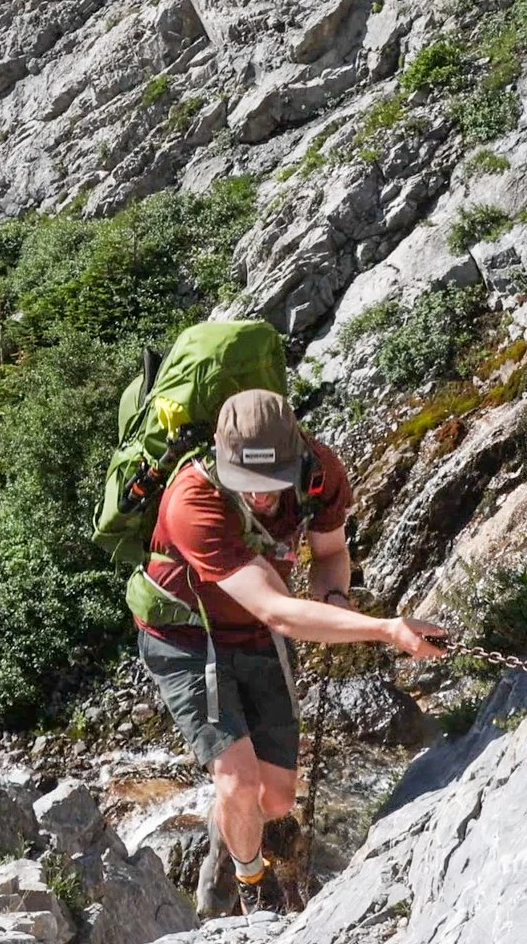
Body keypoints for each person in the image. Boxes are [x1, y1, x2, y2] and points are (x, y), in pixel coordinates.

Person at [134, 388, 448, 915]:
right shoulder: (193, 498)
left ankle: (228, 823)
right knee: (238, 777)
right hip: (188, 636)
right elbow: (278, 609)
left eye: (269, 484)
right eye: (246, 485)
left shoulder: (320, 473)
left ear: (295, 452)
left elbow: (332, 552)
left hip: (258, 633)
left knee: (275, 799)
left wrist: (335, 601)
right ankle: (250, 880)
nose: (259, 498)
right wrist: (384, 629)